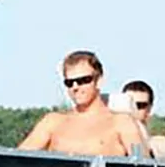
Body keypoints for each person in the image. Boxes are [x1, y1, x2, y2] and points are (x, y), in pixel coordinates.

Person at [18, 50, 147, 157]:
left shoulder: (122, 123)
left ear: (99, 80)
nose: (75, 87)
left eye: (83, 80)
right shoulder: (52, 122)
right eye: (69, 83)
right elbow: (16, 160)